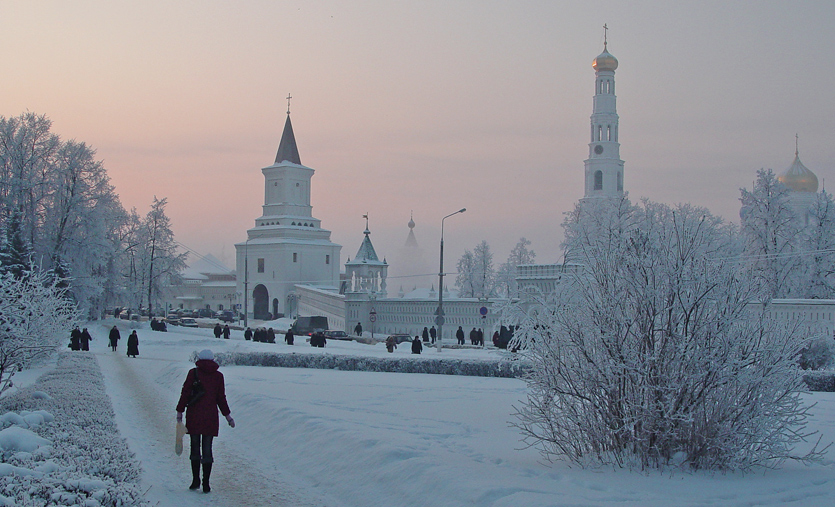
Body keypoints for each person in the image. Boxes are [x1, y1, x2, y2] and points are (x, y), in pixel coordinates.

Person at [176, 349, 234, 493]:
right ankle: (206, 483)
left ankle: (195, 481)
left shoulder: (193, 373)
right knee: (207, 449)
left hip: (194, 415)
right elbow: (221, 398)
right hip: (210, 417)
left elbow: (185, 392)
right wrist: (228, 416)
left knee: (195, 447)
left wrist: (179, 411)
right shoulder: (218, 376)